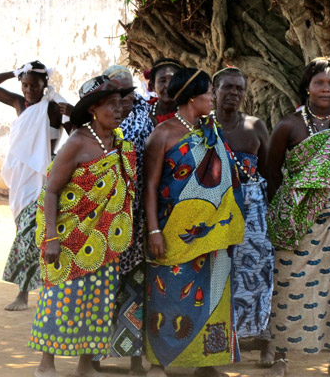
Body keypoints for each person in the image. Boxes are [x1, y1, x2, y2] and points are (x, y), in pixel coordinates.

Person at [265, 57, 330, 377]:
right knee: (289, 285)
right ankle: (280, 357)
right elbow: (272, 175)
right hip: (297, 219)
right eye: (319, 83)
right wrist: (286, 215)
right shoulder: (288, 125)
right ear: (307, 87)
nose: (326, 89)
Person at [29, 75, 136, 377]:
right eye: (111, 105)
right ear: (93, 109)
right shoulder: (77, 143)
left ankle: (85, 365)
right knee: (62, 297)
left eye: (121, 105)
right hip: (70, 236)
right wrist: (51, 236)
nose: (118, 110)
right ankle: (45, 364)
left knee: (99, 299)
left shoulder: (118, 144)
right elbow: (51, 189)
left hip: (105, 238)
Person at [143, 68, 244, 377]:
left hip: (213, 231)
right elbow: (149, 186)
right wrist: (154, 231)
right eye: (208, 93)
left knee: (214, 292)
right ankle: (159, 361)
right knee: (169, 293)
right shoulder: (163, 134)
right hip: (173, 230)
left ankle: (207, 360)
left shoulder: (210, 130)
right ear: (191, 97)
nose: (213, 97)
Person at [0, 61, 72, 311]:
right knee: (25, 230)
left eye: (35, 84)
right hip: (21, 179)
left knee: (32, 235)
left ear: (45, 84)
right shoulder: (19, 104)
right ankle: (34, 290)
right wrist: (13, 72)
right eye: (24, 84)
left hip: (45, 177)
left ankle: (24, 294)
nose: (29, 89)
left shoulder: (54, 107)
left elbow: (75, 134)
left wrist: (74, 113)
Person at [212, 67, 275, 366]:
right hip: (213, 212)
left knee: (256, 277)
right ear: (214, 91)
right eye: (228, 87)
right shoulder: (203, 127)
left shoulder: (255, 126)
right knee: (216, 275)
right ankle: (217, 344)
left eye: (240, 88)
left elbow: (270, 173)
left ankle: (264, 340)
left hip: (252, 213)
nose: (234, 93)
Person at [92, 65, 150, 373]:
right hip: (101, 220)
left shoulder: (147, 117)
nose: (122, 98)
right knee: (102, 288)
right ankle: (92, 354)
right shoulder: (96, 122)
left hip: (138, 219)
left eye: (126, 92)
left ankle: (135, 358)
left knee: (135, 288)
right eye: (115, 93)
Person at [147, 58, 182, 126]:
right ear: (153, 86)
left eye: (173, 80)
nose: (168, 86)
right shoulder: (143, 112)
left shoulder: (191, 114)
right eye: (163, 81)